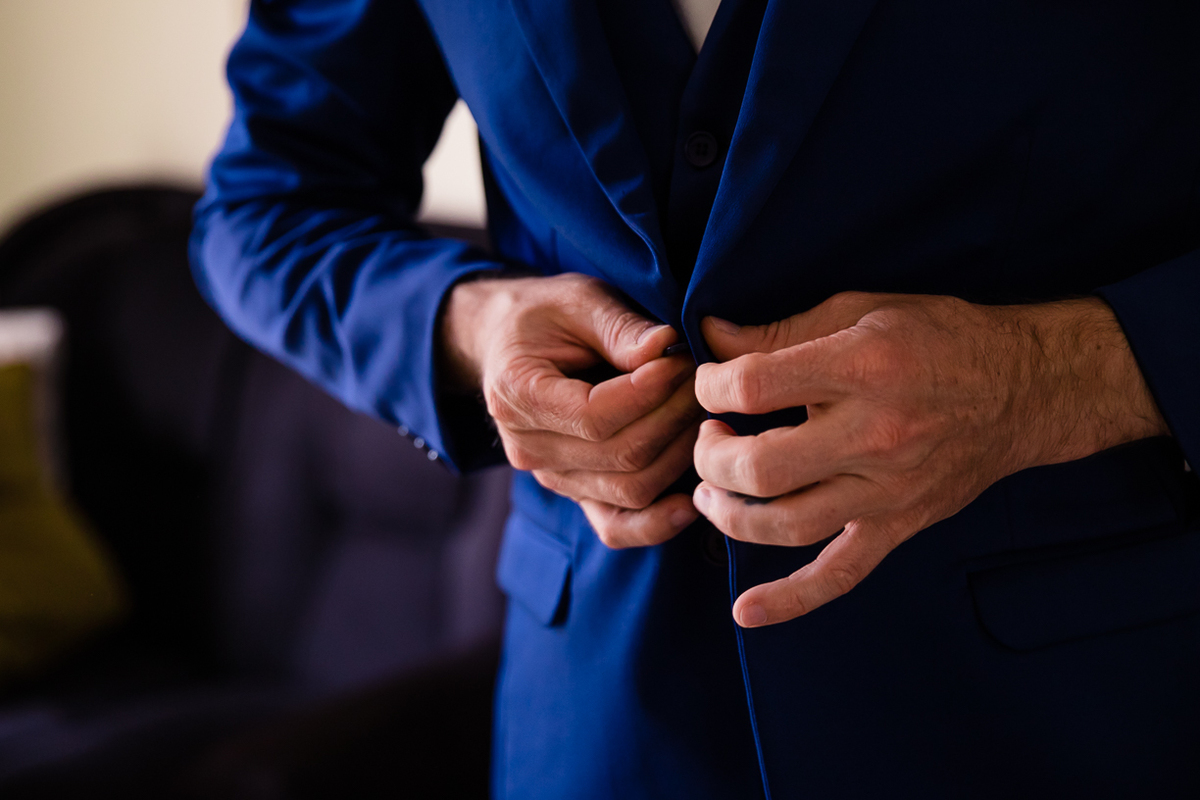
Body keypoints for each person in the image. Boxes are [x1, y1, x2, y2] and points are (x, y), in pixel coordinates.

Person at [191, 0, 1200, 796]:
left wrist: (1057, 376)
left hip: (1073, 714)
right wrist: (467, 325)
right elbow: (266, 204)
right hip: (596, 721)